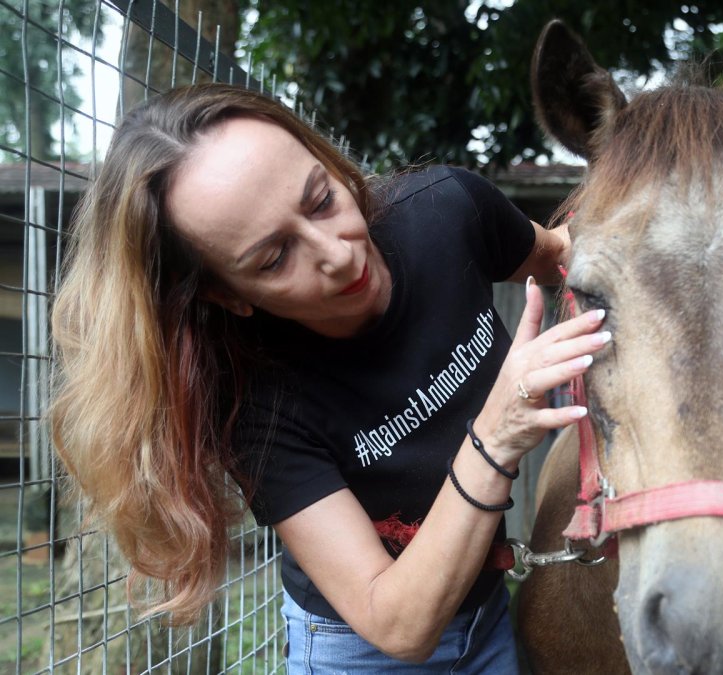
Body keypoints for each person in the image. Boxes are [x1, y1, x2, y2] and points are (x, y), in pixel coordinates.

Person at [49, 82, 609, 672]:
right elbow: (398, 625)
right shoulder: (257, 404)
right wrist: (496, 433)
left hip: (487, 612)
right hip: (361, 651)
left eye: (321, 200)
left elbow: (566, 255)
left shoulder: (448, 210)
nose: (339, 255)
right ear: (228, 295)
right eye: (273, 258)